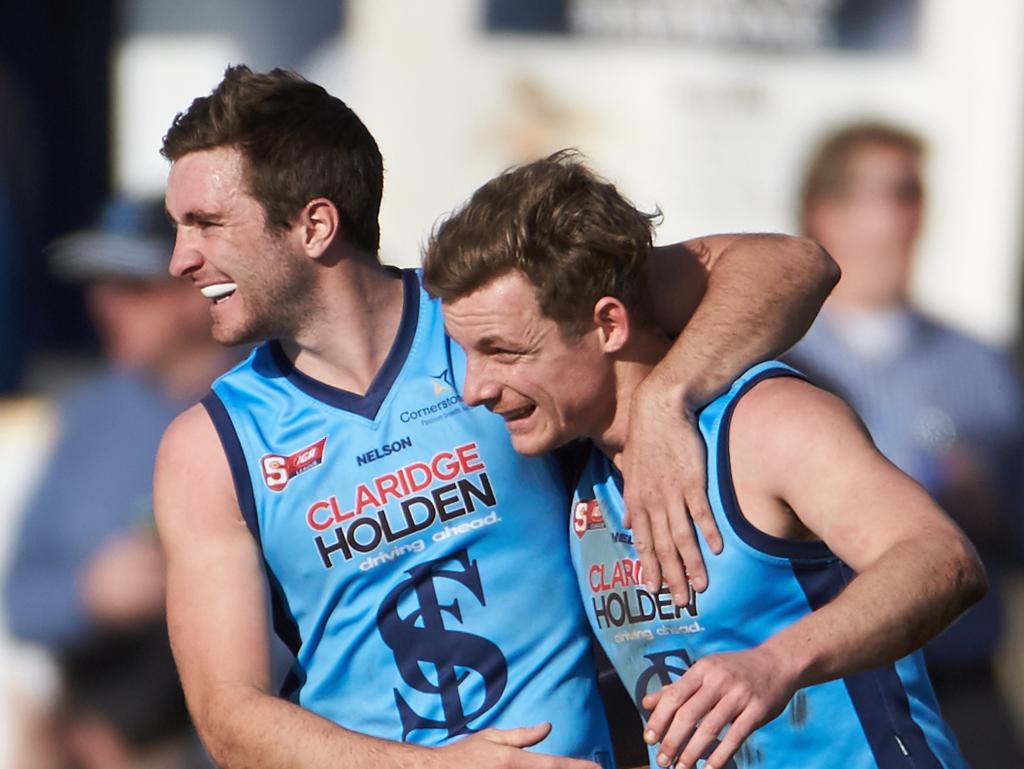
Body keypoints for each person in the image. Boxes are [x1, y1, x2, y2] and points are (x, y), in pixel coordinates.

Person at [153, 65, 838, 769]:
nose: (180, 259)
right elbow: (230, 720)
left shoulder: (491, 318)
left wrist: (671, 398)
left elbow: (791, 265)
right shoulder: (210, 445)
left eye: (204, 223)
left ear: (315, 225)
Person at [422, 150, 985, 769]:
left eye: (502, 351)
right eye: (467, 354)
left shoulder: (763, 421)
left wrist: (776, 663)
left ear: (609, 324)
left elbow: (943, 561)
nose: (475, 387)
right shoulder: (576, 468)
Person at [786, 122, 1024, 765]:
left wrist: (994, 509)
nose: (906, 214)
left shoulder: (981, 365)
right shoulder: (778, 366)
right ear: (824, 211)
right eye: (888, 192)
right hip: (832, 695)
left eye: (914, 193)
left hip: (964, 683)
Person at [3, 196, 233, 768]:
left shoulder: (277, 401)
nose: (106, 305)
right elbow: (21, 601)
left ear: (194, 287)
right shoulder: (88, 416)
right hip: (94, 731)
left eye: (133, 286)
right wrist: (93, 595)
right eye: (98, 283)